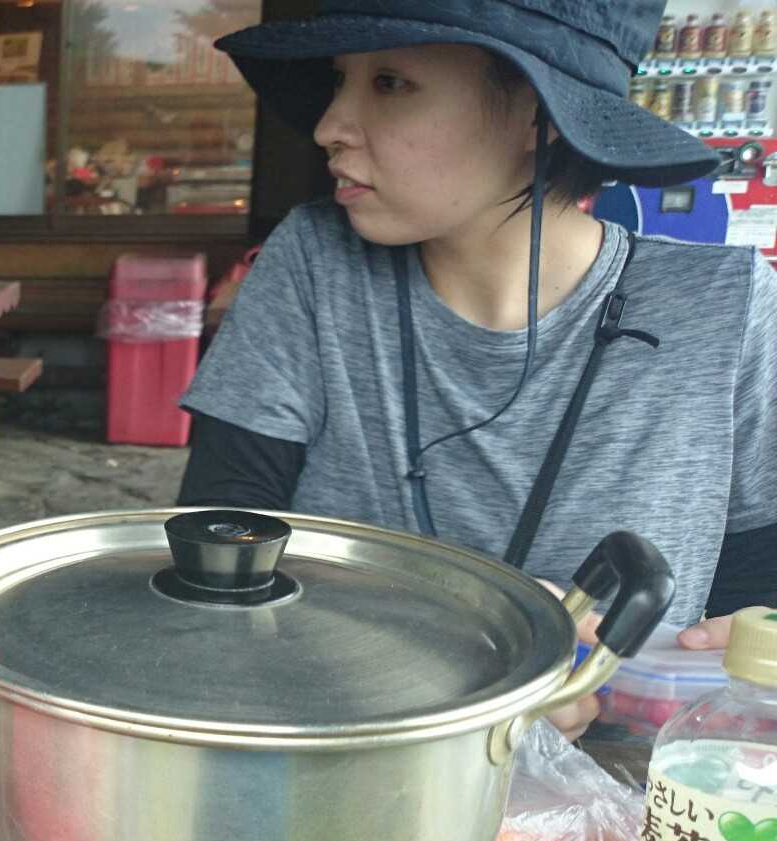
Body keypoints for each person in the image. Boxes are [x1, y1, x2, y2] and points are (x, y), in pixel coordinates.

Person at [180, 2, 777, 738]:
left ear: (540, 115)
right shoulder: (315, 266)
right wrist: (470, 636)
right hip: (347, 753)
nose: (330, 125)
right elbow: (215, 544)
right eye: (340, 80)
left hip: (624, 788)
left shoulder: (723, 307)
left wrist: (737, 656)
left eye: (391, 83)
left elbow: (757, 593)